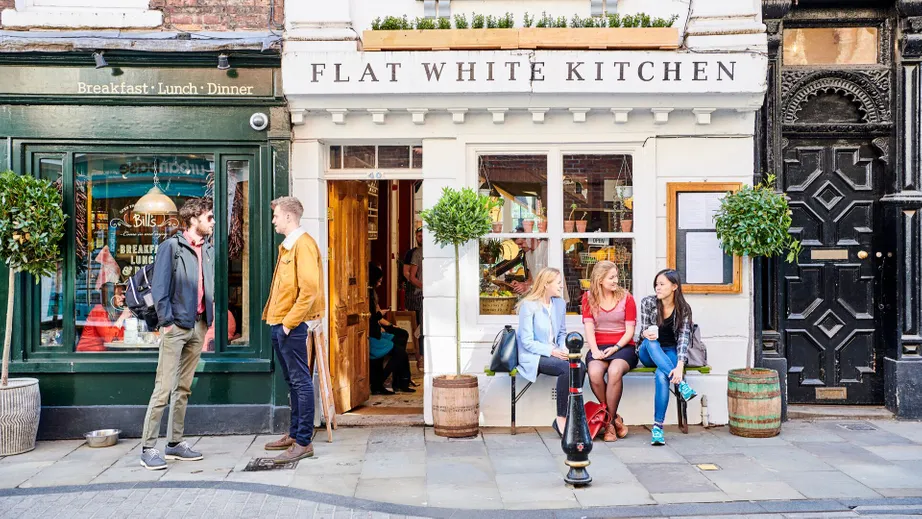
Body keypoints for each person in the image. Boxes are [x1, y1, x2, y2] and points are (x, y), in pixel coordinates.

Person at [140, 198, 215, 470]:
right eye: (209, 217)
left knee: (183, 388)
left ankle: (174, 443)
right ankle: (148, 448)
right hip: (176, 326)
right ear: (193, 219)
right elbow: (160, 289)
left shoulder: (207, 249)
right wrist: (167, 323)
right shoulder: (171, 247)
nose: (213, 221)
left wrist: (209, 318)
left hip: (198, 324)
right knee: (163, 388)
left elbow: (208, 285)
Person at [262, 196, 325, 462]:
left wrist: (288, 324)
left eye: (276, 215)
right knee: (293, 382)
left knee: (301, 382)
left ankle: (302, 442)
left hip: (292, 326)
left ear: (289, 217)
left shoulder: (303, 245)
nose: (274, 220)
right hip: (281, 323)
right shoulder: (289, 246)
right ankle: (294, 433)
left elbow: (309, 289)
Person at [515, 267, 584, 437]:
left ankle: (571, 414)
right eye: (559, 283)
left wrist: (562, 350)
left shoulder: (559, 304)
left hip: (555, 352)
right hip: (533, 356)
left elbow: (561, 333)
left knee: (580, 366)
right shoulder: (528, 306)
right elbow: (526, 341)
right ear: (546, 284)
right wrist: (551, 351)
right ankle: (561, 417)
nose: (562, 286)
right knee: (567, 368)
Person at [635, 269, 698, 446]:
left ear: (674, 287)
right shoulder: (648, 303)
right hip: (647, 350)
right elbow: (642, 332)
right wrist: (646, 333)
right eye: (656, 284)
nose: (658, 287)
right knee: (651, 342)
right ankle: (681, 385)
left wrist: (680, 366)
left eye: (662, 284)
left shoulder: (683, 309)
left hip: (669, 350)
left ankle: (657, 428)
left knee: (662, 375)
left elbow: (684, 339)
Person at [583, 261, 637, 442]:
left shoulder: (626, 298)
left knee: (614, 371)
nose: (616, 281)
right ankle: (613, 419)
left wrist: (616, 347)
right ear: (600, 279)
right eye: (611, 277)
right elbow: (589, 328)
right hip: (599, 347)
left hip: (623, 347)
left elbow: (630, 331)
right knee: (594, 373)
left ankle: (609, 426)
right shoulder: (588, 298)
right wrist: (595, 350)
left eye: (616, 276)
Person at [368, 263, 414, 394]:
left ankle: (399, 381)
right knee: (401, 352)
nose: (380, 283)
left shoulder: (371, 294)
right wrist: (381, 318)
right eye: (379, 281)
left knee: (401, 337)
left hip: (376, 331)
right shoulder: (368, 295)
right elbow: (373, 316)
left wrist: (388, 325)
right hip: (373, 335)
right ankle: (385, 381)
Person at [77, 283, 133, 352]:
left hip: (101, 353)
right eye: (119, 294)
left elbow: (120, 337)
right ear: (110, 296)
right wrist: (121, 318)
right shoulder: (99, 311)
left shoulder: (115, 312)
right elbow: (108, 338)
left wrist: (125, 319)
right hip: (89, 353)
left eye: (123, 294)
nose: (123, 297)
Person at [404, 226, 424, 370]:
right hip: (416, 295)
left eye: (423, 236)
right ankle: (419, 357)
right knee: (418, 326)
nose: (421, 238)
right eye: (419, 236)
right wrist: (423, 286)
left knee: (423, 326)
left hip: (423, 293)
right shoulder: (414, 253)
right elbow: (408, 274)